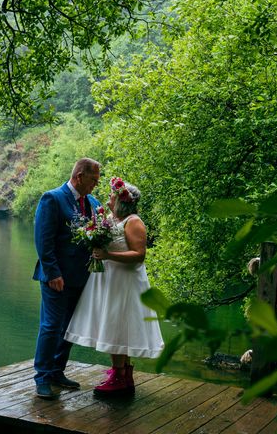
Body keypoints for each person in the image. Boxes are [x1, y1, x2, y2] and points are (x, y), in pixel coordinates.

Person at [64, 177, 164, 395]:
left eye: (112, 194)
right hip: (109, 280)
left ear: (121, 199)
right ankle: (123, 372)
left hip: (124, 282)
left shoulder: (133, 222)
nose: (108, 196)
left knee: (118, 326)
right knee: (113, 324)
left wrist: (108, 255)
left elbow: (139, 255)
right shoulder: (110, 218)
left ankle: (120, 377)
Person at [32, 158, 102, 399]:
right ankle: (41, 377)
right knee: (51, 326)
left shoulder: (92, 202)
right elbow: (44, 240)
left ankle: (56, 371)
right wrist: (53, 273)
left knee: (69, 328)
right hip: (56, 277)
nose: (96, 185)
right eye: (94, 180)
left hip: (81, 277)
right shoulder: (52, 198)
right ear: (80, 176)